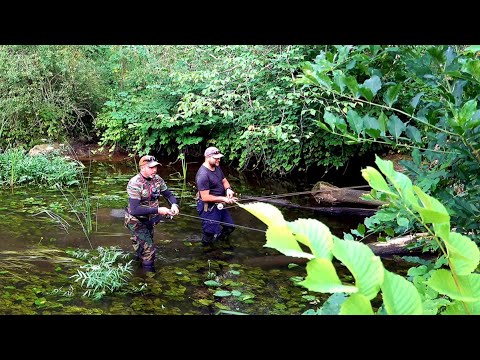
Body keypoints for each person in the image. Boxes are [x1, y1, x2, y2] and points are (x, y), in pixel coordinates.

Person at [124, 155, 180, 271]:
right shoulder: (135, 183)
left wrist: (174, 205)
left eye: (155, 167)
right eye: (151, 168)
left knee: (144, 246)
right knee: (149, 253)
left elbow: (168, 195)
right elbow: (135, 209)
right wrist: (158, 210)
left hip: (150, 220)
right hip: (136, 221)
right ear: (142, 168)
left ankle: (136, 269)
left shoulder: (158, 179)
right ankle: (150, 280)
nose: (154, 170)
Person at [195, 146, 237, 245]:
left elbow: (224, 180)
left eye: (219, 157)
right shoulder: (203, 175)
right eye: (216, 158)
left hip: (219, 205)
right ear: (207, 157)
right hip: (208, 209)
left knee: (230, 227)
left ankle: (219, 243)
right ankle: (206, 253)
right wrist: (224, 198)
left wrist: (228, 189)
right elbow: (205, 197)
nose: (218, 160)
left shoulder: (216, 167)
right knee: (209, 234)